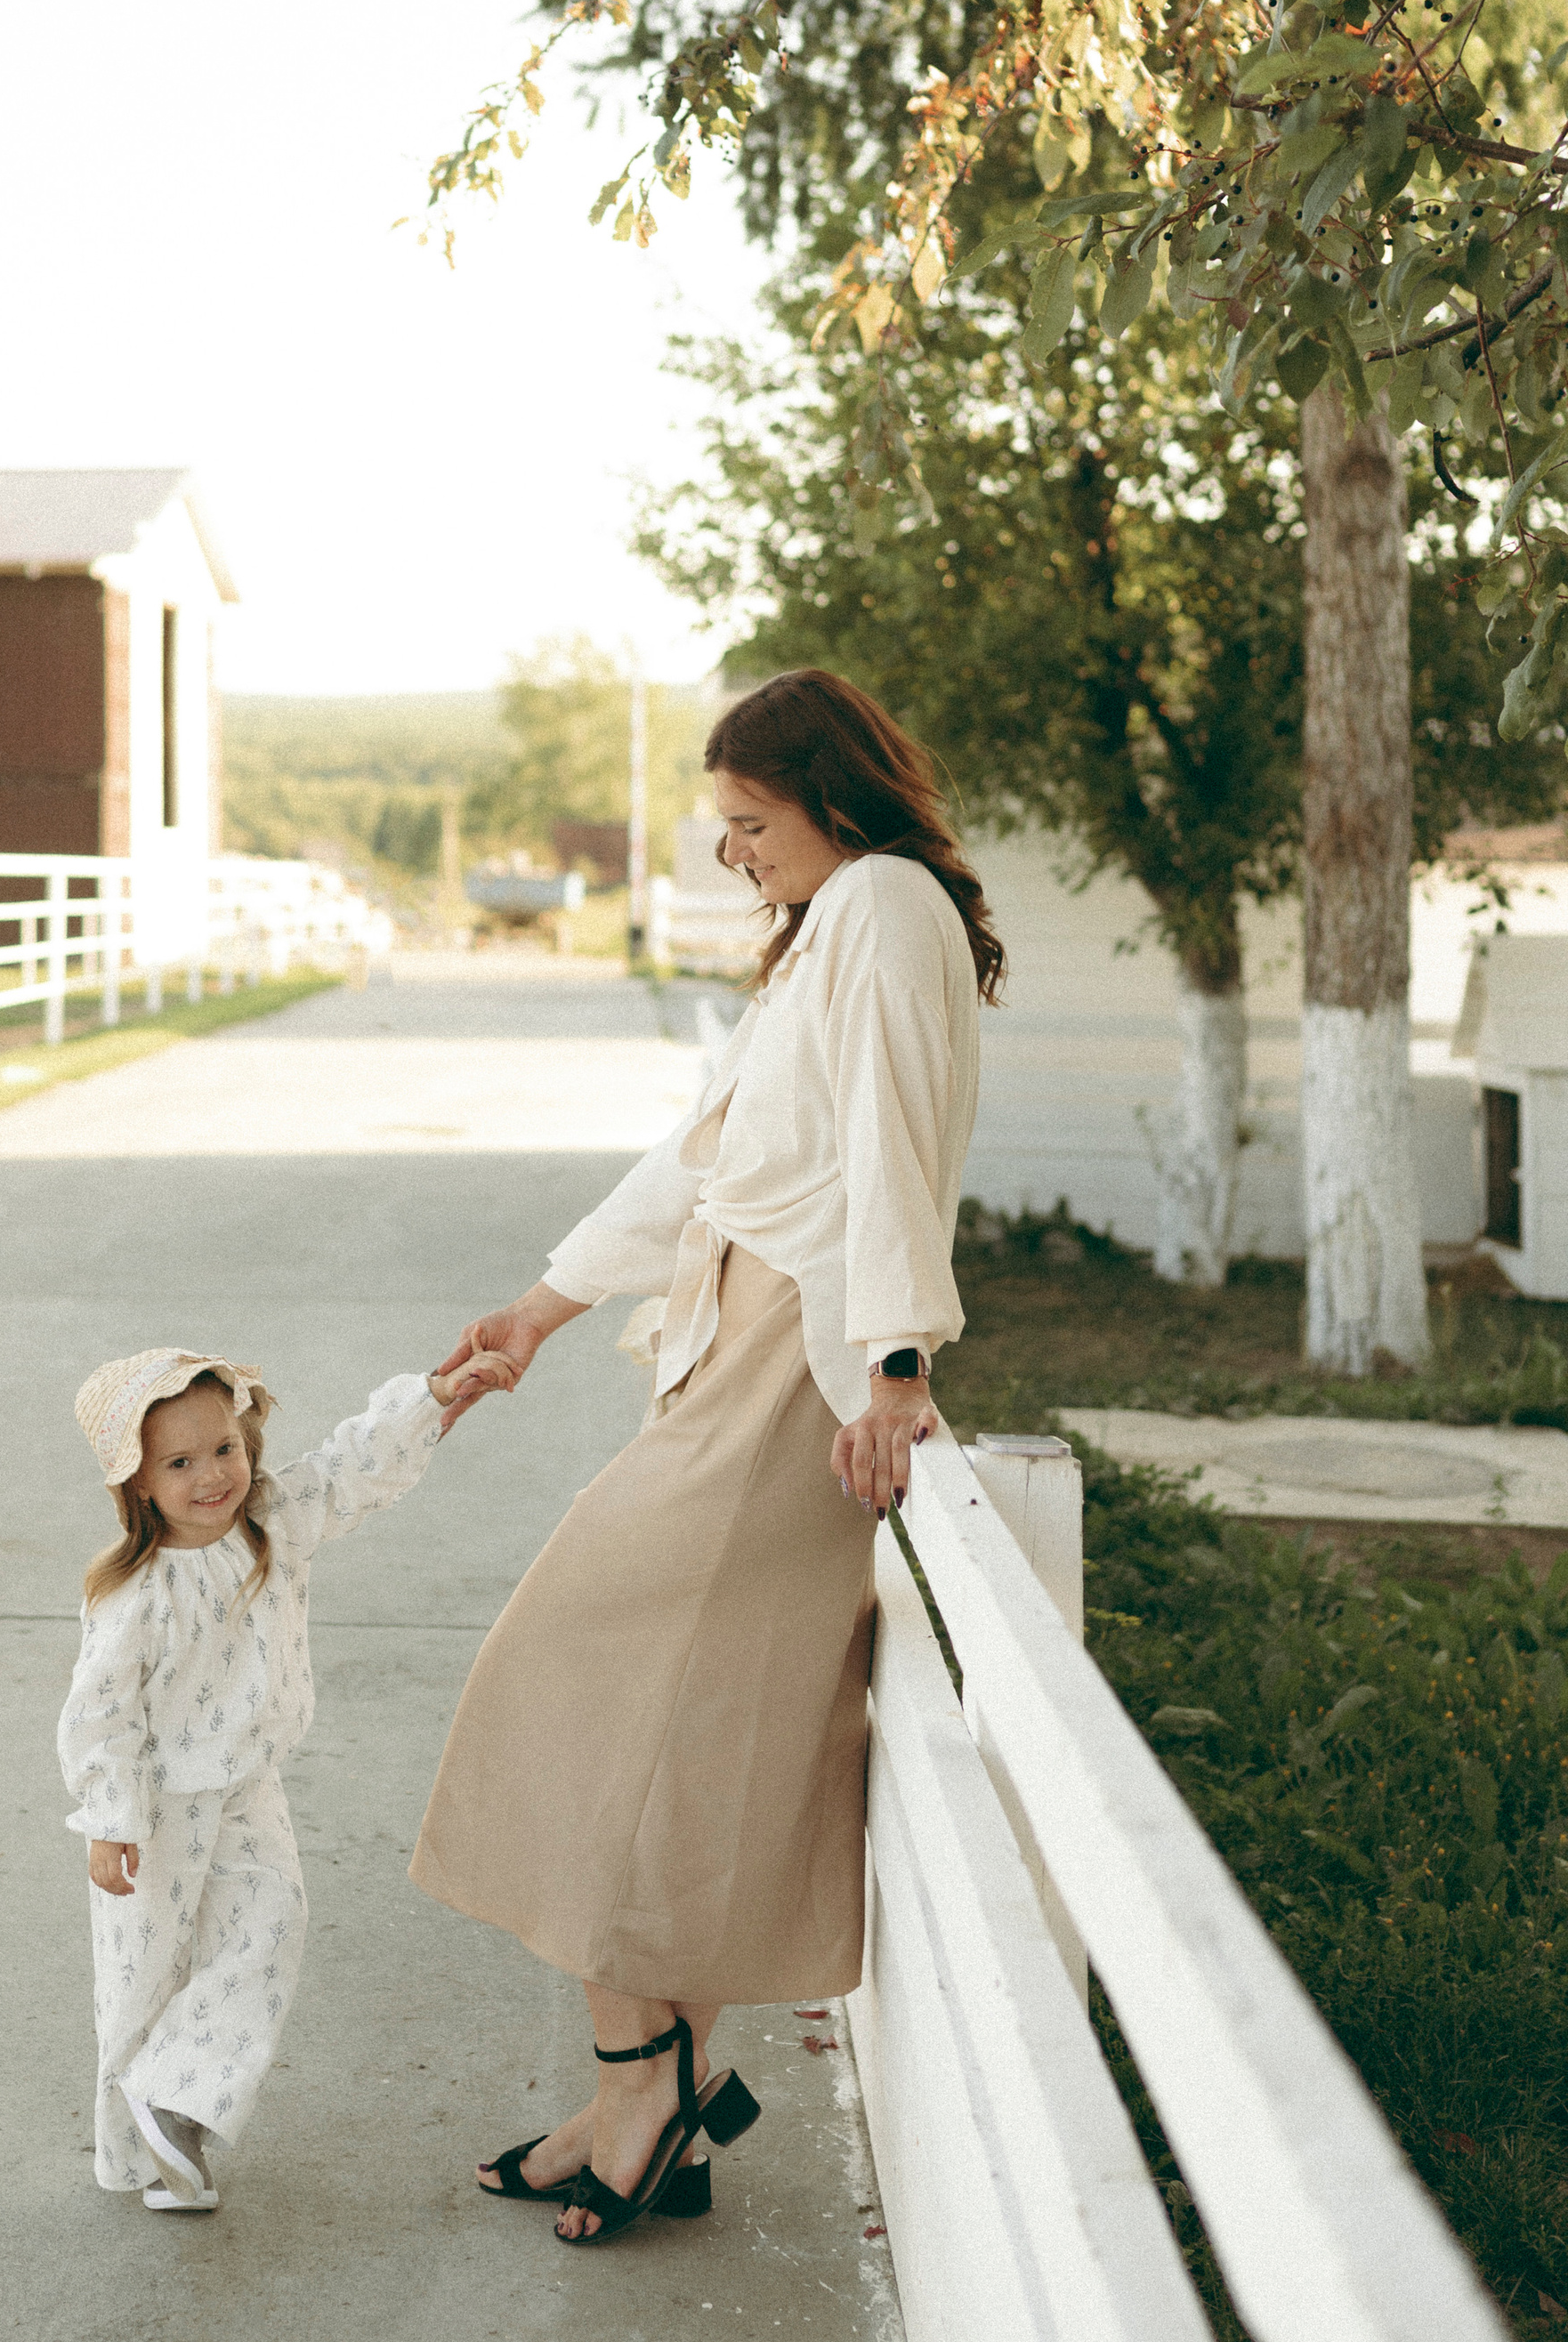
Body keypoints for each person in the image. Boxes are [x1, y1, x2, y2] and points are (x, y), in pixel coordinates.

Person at [409, 666, 1006, 2247]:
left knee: (573, 1670)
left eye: (750, 823)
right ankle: (646, 2094)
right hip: (733, 1350)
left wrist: (892, 1363)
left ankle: (644, 2088)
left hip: (797, 1374)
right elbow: (710, 1164)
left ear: (835, 797)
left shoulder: (882, 904)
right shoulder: (830, 927)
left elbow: (892, 1142)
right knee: (684, 1743)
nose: (733, 853)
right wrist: (538, 1313)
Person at [61, 1339, 510, 2212]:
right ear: (139, 1482)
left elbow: (350, 1467)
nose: (211, 1475)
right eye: (179, 1461)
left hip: (247, 1786)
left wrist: (430, 1397)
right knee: (147, 1967)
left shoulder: (275, 1519)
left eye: (222, 1447)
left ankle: (175, 2098)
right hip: (160, 1807)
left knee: (270, 1926)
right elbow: (100, 1712)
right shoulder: (136, 1591)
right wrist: (110, 1813)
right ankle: (145, 2138)